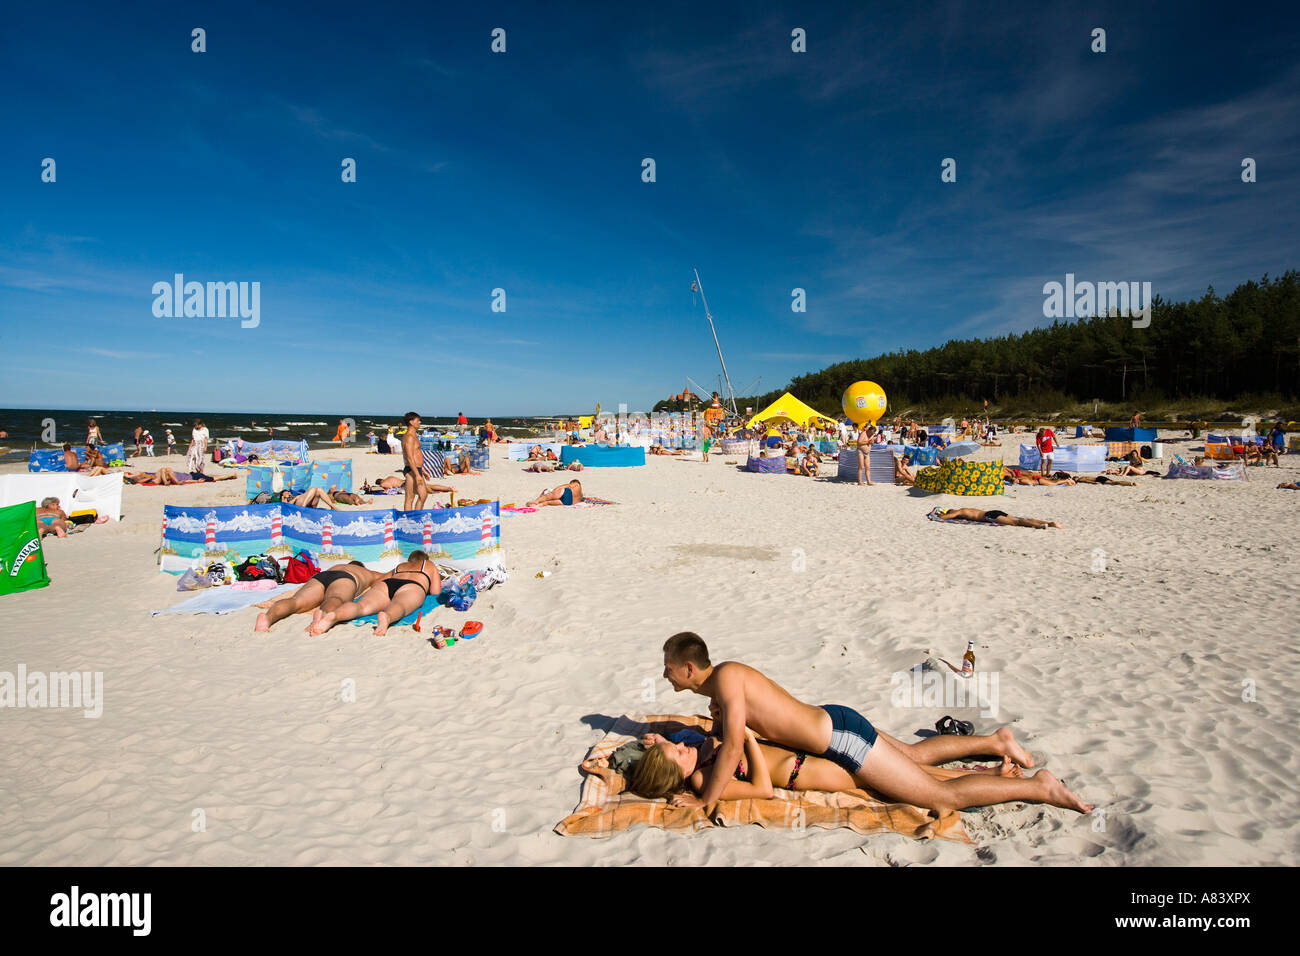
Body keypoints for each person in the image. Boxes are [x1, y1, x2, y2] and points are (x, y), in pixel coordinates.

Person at [658, 633, 1091, 813]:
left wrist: (704, 801)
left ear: (690, 667)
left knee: (939, 798)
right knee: (915, 756)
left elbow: (734, 746)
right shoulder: (718, 688)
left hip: (842, 739)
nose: (665, 675)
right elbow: (727, 736)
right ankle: (997, 742)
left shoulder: (728, 679)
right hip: (837, 724)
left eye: (669, 669)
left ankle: (1041, 787)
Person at [632, 700, 1028, 802]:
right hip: (806, 770)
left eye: (678, 747)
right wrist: (746, 739)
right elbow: (761, 789)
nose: (683, 747)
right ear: (677, 775)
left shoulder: (697, 753)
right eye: (677, 755)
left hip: (813, 745)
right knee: (903, 778)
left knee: (908, 760)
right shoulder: (702, 779)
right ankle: (990, 765)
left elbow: (692, 740)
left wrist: (665, 743)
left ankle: (994, 747)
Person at [309, 551, 440, 637]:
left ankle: (335, 615)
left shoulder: (400, 566)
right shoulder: (428, 564)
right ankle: (387, 617)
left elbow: (377, 582)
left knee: (361, 607)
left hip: (388, 583)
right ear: (425, 559)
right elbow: (435, 592)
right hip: (412, 585)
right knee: (400, 604)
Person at [255, 561, 385, 633]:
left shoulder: (338, 564)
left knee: (295, 601)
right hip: (345, 577)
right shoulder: (367, 572)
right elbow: (387, 578)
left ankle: (267, 618)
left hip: (322, 576)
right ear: (361, 567)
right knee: (335, 599)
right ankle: (320, 618)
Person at [933, 507, 1063, 528]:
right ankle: (1049, 523)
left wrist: (939, 515)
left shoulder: (960, 511)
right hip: (993, 511)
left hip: (989, 516)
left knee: (1017, 522)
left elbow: (947, 517)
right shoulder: (966, 508)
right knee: (1020, 518)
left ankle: (1039, 526)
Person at [400, 412, 428, 511]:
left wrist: (423, 470)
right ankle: (408, 519)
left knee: (423, 495)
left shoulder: (414, 435)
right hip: (412, 470)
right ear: (411, 422)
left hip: (417, 469)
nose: (420, 422)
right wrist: (417, 474)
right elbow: (409, 457)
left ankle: (416, 517)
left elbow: (417, 454)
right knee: (410, 497)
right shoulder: (409, 437)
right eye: (418, 420)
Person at [1002, 465, 1074, 486]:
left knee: (1053, 483)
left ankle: (1066, 480)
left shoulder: (1021, 480)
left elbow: (1029, 482)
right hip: (1036, 479)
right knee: (1052, 482)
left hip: (1037, 480)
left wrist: (1014, 478)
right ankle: (1066, 480)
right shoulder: (1021, 480)